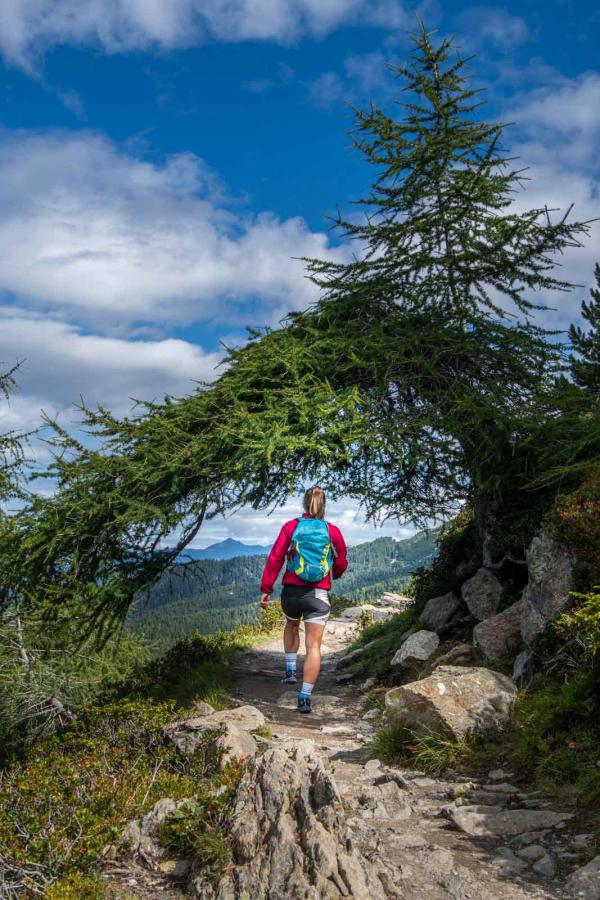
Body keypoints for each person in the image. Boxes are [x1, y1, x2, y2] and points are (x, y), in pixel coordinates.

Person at [259, 486, 348, 714]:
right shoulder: (332, 531)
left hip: (291, 591)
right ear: (324, 505)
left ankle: (290, 670)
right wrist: (331, 576)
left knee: (291, 624)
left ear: (304, 503)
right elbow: (341, 562)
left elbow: (276, 558)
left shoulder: (291, 526)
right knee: (314, 647)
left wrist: (266, 588)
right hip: (318, 594)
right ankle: (305, 696)